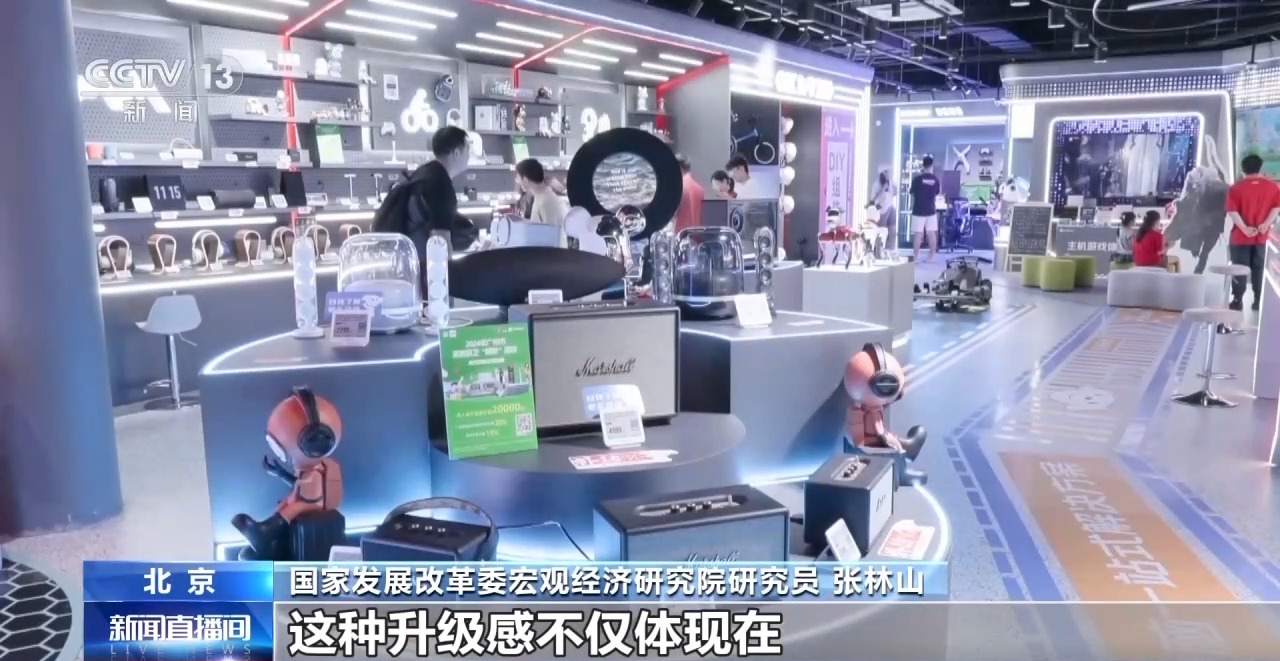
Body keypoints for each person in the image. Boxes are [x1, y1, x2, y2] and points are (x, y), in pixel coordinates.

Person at [372, 125, 477, 258]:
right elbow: (441, 241)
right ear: (456, 153)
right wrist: (450, 269)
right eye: (468, 149)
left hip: (407, 258)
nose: (469, 155)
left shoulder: (424, 172)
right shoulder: (440, 184)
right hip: (424, 262)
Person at [1225, 154, 1280, 311]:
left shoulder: (1235, 188)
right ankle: (1258, 301)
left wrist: (1244, 228)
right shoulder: (1272, 187)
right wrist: (1265, 224)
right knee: (1259, 269)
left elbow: (1232, 211)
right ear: (1260, 168)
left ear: (1243, 170)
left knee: (1239, 269)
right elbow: (1276, 207)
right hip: (1262, 237)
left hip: (1240, 237)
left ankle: (1237, 301)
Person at [516, 158, 569, 245]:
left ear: (525, 179)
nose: (517, 181)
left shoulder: (546, 200)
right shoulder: (541, 197)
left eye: (518, 177)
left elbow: (551, 237)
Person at [908, 156, 941, 263]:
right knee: (931, 233)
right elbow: (937, 192)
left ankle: (915, 257)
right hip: (931, 210)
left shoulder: (917, 180)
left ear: (923, 165)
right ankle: (932, 256)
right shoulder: (935, 180)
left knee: (918, 234)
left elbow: (912, 192)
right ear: (932, 165)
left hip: (918, 210)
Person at [673, 154, 704, 234]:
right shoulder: (699, 189)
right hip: (696, 234)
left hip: (680, 235)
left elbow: (672, 213)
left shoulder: (678, 186)